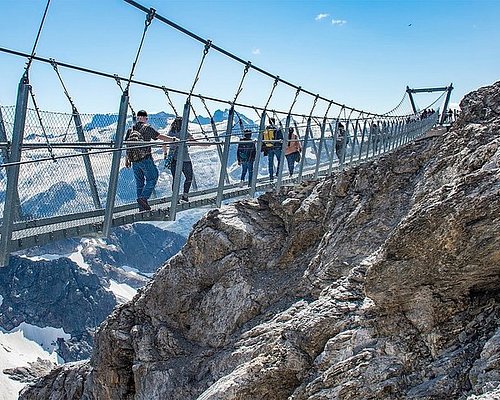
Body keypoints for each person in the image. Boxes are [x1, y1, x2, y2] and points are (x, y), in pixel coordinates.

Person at [125, 109, 174, 212]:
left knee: (139, 182)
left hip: (134, 161)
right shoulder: (147, 128)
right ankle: (143, 198)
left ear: (138, 118)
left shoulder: (130, 130)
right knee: (153, 177)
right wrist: (173, 139)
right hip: (146, 159)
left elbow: (127, 145)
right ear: (146, 119)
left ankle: (141, 207)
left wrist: (127, 159)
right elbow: (160, 136)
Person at [167, 116, 195, 202]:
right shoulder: (185, 133)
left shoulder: (170, 133)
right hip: (185, 159)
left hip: (173, 159)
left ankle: (175, 198)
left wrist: (165, 154)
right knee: (189, 177)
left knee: (176, 179)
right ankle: (185, 195)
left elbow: (164, 143)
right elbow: (193, 141)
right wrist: (207, 143)